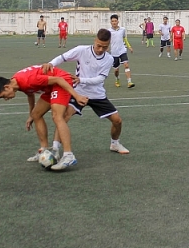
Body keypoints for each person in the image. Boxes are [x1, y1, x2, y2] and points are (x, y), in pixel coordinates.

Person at [43, 29, 130, 162]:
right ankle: (55, 150)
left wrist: (81, 79)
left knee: (117, 121)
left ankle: (115, 143)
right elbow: (63, 57)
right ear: (95, 40)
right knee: (63, 117)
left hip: (97, 95)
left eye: (105, 47)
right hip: (78, 92)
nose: (101, 49)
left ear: (109, 44)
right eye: (98, 45)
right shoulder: (81, 50)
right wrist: (51, 63)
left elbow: (100, 79)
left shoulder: (109, 59)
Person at [0, 65, 88, 171]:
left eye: (3, 96)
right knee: (36, 115)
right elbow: (30, 94)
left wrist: (77, 96)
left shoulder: (28, 80)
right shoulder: (17, 83)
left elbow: (59, 79)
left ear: (6, 87)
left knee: (57, 116)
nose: (5, 99)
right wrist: (31, 115)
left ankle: (69, 156)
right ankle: (44, 150)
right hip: (50, 86)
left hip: (61, 82)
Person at [109, 14, 135, 88]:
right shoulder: (109, 31)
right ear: (110, 22)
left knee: (126, 65)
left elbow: (124, 38)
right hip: (114, 52)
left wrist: (129, 47)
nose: (114, 22)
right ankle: (117, 79)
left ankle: (129, 82)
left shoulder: (122, 29)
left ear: (118, 21)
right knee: (116, 70)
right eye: (112, 21)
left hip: (122, 50)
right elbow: (107, 41)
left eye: (115, 21)